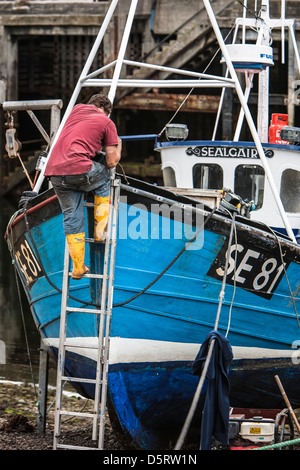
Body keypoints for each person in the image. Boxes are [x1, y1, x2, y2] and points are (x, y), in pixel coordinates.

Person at [44, 94, 122, 280]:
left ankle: (78, 267)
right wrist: (118, 146)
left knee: (71, 215)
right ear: (106, 111)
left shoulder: (75, 111)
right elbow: (111, 162)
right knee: (103, 175)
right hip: (79, 169)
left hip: (55, 172)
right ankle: (100, 232)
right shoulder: (106, 122)